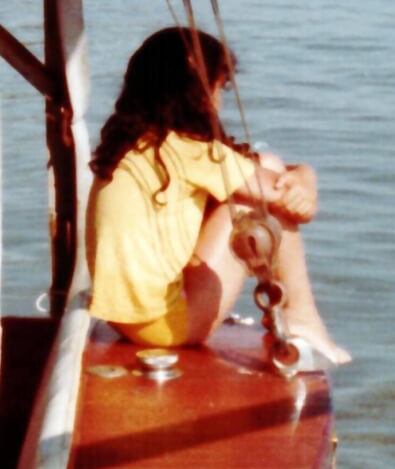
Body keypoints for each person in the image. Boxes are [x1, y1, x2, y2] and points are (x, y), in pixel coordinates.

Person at [85, 26, 351, 365]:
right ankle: (301, 315)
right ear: (197, 91)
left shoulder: (138, 144)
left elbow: (262, 168)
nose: (221, 101)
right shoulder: (189, 152)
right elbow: (291, 206)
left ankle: (290, 310)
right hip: (170, 327)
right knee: (254, 198)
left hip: (127, 322)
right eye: (219, 88)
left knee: (264, 167)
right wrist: (306, 183)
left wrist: (303, 175)